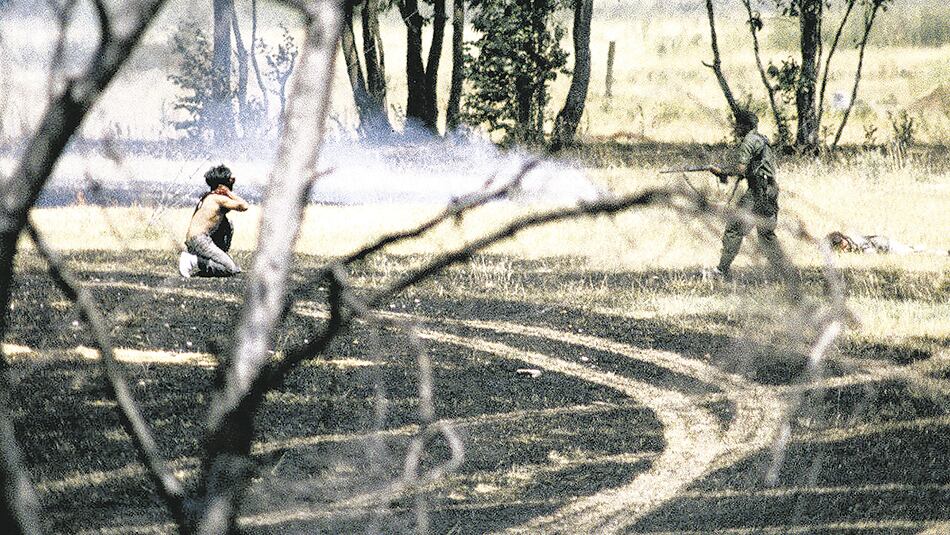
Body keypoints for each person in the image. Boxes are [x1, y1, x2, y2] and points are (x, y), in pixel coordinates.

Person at [705, 109, 784, 279]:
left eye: (738, 125)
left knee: (734, 229)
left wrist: (721, 172)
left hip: (757, 192)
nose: (736, 128)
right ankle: (784, 272)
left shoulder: (748, 142)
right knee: (766, 234)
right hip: (770, 190)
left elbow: (740, 170)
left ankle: (721, 270)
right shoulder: (762, 139)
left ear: (745, 126)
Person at [178, 164, 249, 277]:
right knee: (229, 269)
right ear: (222, 185)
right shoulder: (218, 199)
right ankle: (193, 261)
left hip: (196, 240)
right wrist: (228, 192)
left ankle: (217, 259)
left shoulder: (208, 197)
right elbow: (244, 206)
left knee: (227, 224)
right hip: (200, 241)